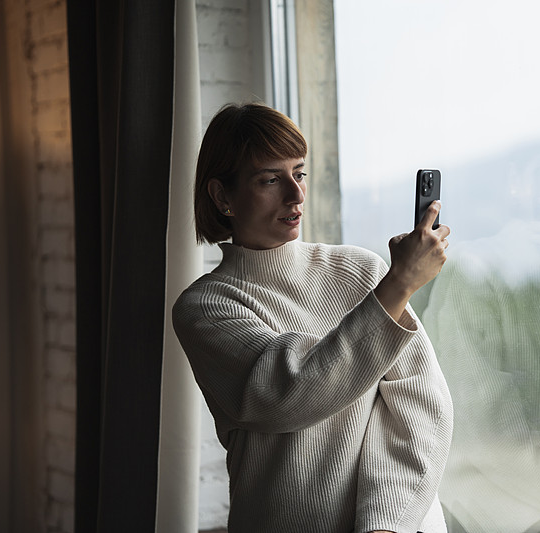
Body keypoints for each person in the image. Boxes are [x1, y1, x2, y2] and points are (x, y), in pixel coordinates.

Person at [172, 102, 454, 533]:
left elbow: (420, 406)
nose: (296, 194)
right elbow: (287, 393)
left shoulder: (363, 270)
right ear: (221, 195)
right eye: (270, 179)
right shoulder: (205, 308)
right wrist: (399, 285)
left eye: (299, 173)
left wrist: (384, 523)